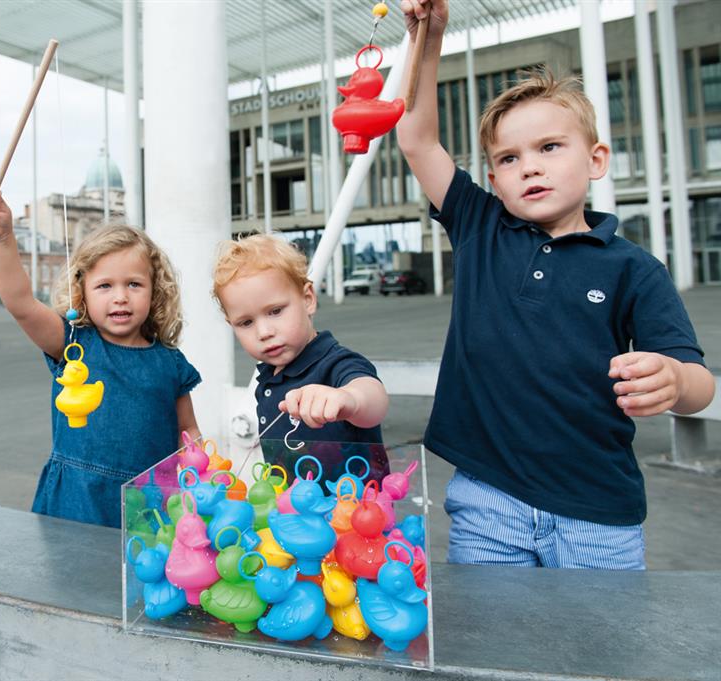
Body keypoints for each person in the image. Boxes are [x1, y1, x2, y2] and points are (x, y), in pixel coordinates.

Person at [397, 0, 715, 569]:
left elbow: (698, 383)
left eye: (549, 148)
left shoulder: (634, 269)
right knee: (490, 652)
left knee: (602, 656)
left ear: (596, 160)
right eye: (510, 158)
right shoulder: (480, 226)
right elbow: (417, 139)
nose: (531, 167)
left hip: (600, 512)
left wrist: (673, 380)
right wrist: (429, 35)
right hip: (487, 502)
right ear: (494, 179)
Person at [0, 190, 201, 528]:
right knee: (71, 579)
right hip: (76, 501)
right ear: (82, 292)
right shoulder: (71, 342)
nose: (120, 297)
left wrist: (200, 470)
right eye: (104, 286)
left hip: (150, 505)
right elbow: (21, 303)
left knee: (139, 579)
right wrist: (2, 237)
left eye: (134, 284)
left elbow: (187, 429)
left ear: (155, 291)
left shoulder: (170, 362)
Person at [212, 234, 390, 484]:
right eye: (246, 322)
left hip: (351, 515)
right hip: (292, 514)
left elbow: (373, 399)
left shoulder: (336, 363)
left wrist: (349, 400)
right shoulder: (268, 376)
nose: (264, 332)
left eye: (275, 311)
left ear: (308, 299)